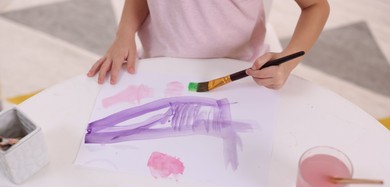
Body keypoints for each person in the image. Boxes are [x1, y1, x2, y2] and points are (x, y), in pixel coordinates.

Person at [87, 0, 330, 89]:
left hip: (241, 75)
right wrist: (125, 33)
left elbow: (316, 6)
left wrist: (287, 62)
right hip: (160, 68)